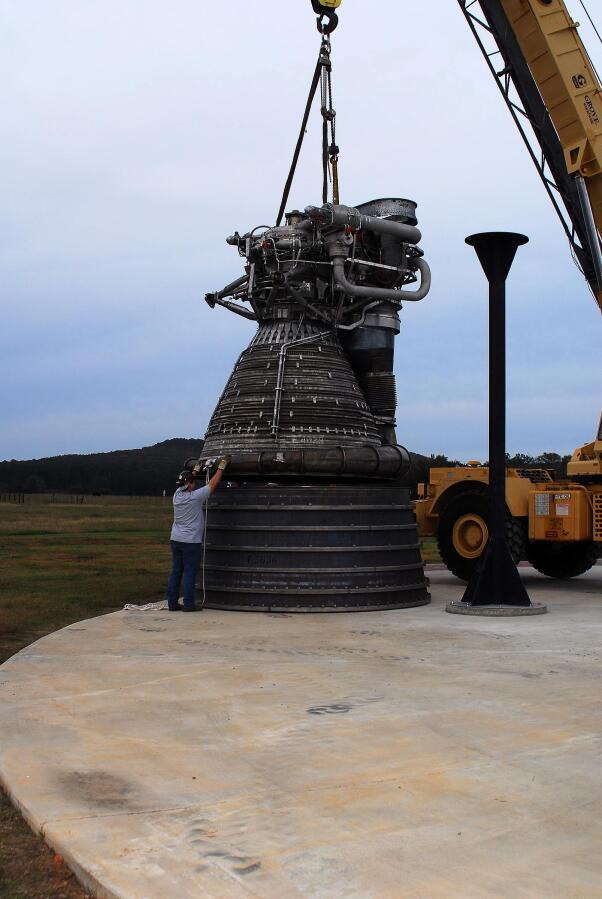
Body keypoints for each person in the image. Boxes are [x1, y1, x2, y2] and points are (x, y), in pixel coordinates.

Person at [166, 457, 230, 612]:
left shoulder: (176, 495)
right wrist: (221, 468)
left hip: (175, 539)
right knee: (189, 572)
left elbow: (188, 480)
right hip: (190, 542)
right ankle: (189, 604)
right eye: (193, 482)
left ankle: (172, 603)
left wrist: (196, 469)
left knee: (176, 571)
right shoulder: (195, 498)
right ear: (190, 485)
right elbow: (212, 484)